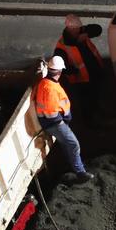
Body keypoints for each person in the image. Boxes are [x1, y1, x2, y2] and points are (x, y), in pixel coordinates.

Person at [33, 55, 93, 184]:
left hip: (54, 121)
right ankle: (80, 173)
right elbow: (50, 113)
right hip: (54, 123)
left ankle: (71, 164)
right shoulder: (49, 88)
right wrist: (62, 121)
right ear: (59, 71)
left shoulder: (48, 83)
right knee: (73, 144)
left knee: (67, 144)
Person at [53, 14, 105, 118]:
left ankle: (98, 112)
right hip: (82, 81)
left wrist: (86, 33)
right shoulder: (62, 48)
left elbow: (98, 29)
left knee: (97, 96)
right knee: (86, 103)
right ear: (70, 29)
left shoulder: (81, 32)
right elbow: (61, 68)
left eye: (79, 28)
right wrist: (74, 71)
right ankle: (90, 122)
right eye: (76, 29)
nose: (79, 30)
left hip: (94, 72)